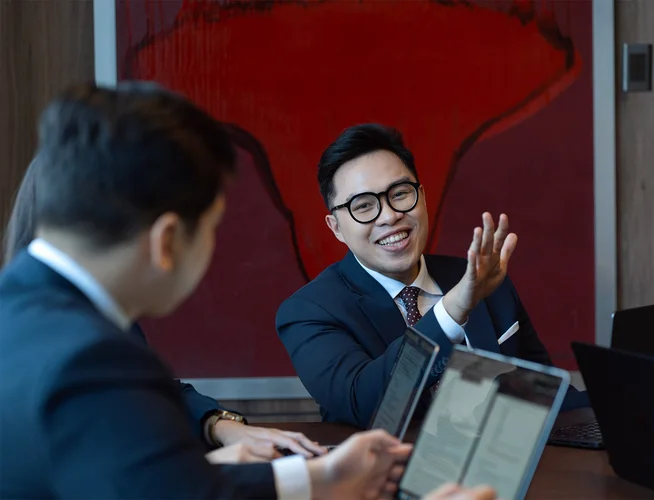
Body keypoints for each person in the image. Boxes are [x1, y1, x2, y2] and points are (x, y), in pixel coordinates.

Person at [0, 82, 423, 499]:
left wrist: (320, 478)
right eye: (211, 228)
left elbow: (153, 485)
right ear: (167, 240)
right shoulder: (91, 360)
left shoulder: (20, 311)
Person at [2, 154, 325, 461]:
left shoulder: (92, 312)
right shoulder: (52, 336)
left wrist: (219, 425)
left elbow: (147, 390)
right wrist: (223, 468)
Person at [276, 123, 589, 427]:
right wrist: (451, 312)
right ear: (336, 228)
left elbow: (547, 396)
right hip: (392, 476)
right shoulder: (308, 312)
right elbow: (363, 403)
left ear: (422, 197)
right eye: (364, 206)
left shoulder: (483, 278)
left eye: (399, 194)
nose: (389, 216)